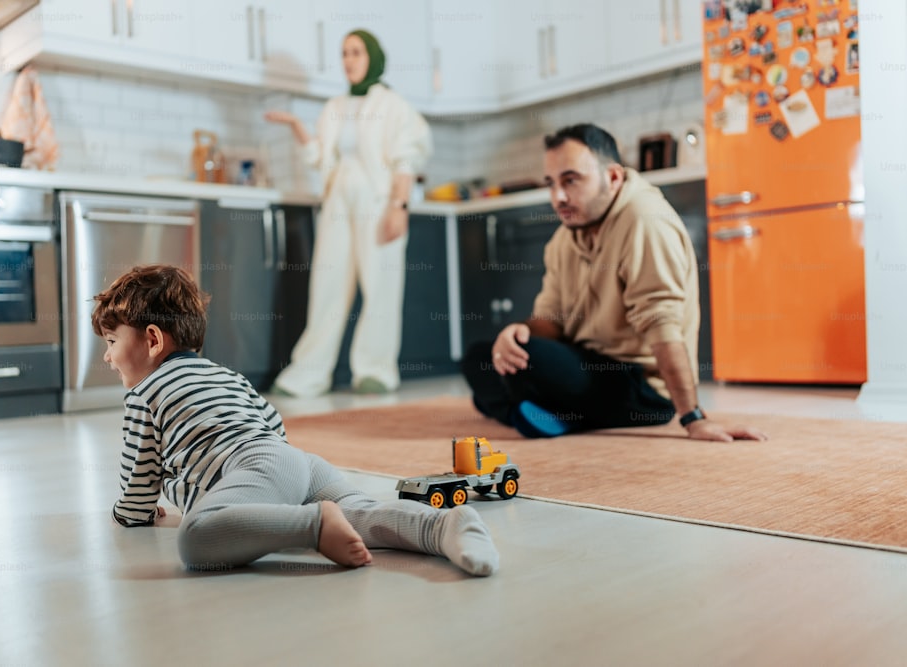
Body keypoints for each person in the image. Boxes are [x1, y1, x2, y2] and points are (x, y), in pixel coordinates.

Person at [92, 264, 498, 576]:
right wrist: (284, 475)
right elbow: (270, 420)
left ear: (152, 340)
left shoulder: (144, 393)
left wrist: (131, 514)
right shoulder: (227, 374)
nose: (108, 356)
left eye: (112, 342)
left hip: (254, 467)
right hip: (296, 461)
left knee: (197, 538)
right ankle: (441, 527)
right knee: (361, 512)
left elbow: (140, 475)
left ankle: (313, 526)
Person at [462, 124, 768, 443]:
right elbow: (550, 320)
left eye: (571, 181)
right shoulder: (564, 238)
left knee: (517, 374)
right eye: (551, 184)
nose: (558, 197)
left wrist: (693, 418)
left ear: (612, 177)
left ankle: (530, 410)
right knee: (482, 357)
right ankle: (543, 413)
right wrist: (516, 333)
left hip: (642, 385)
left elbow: (662, 326)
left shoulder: (645, 221)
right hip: (587, 364)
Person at [264, 29, 432, 397]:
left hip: (379, 201)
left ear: (372, 56)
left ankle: (375, 371)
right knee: (326, 286)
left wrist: (398, 207)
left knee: (381, 288)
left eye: (356, 52)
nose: (349, 60)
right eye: (344, 53)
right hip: (338, 200)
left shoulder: (393, 105)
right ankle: (309, 374)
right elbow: (321, 157)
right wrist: (296, 126)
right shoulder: (335, 107)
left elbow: (407, 159)